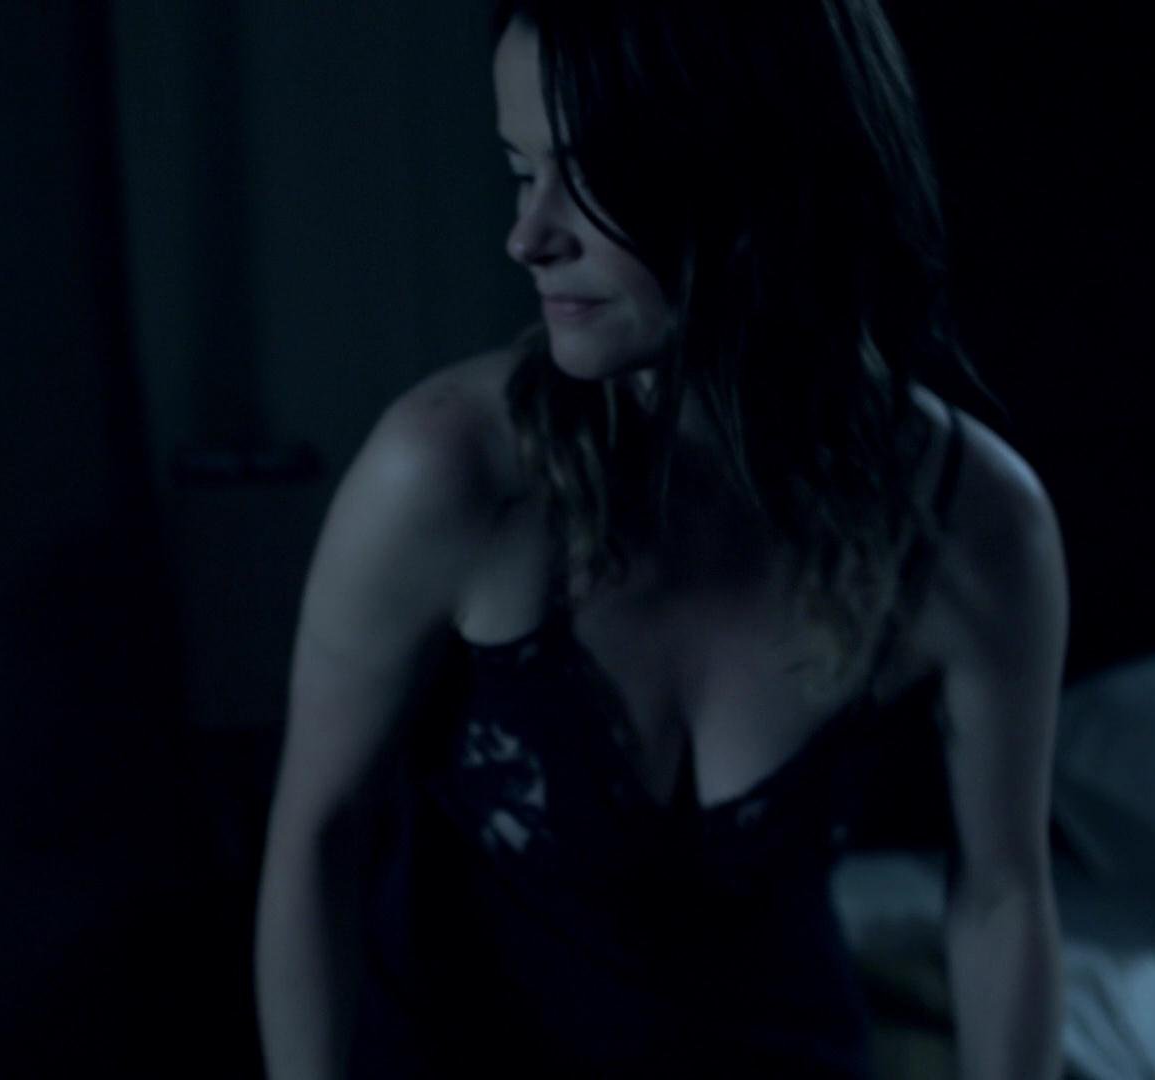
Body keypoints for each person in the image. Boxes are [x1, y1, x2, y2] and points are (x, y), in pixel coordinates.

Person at [254, 1, 1067, 1076]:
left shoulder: (971, 522)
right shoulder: (449, 474)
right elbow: (319, 839)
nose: (528, 235)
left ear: (761, 166)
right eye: (521, 170)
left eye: (589, 174)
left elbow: (1002, 892)